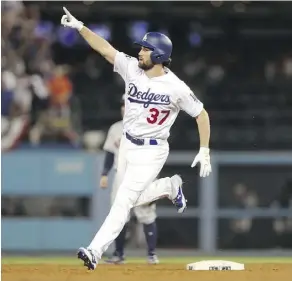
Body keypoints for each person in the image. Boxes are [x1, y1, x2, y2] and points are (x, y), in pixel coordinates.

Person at [61, 7, 212, 270]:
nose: (139, 52)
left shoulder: (176, 86)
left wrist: (204, 149)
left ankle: (95, 251)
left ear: (159, 55)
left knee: (122, 202)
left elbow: (201, 115)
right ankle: (169, 187)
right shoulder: (132, 68)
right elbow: (105, 49)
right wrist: (80, 27)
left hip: (151, 151)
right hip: (127, 144)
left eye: (144, 49)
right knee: (129, 199)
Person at [100, 94, 159, 264]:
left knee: (146, 214)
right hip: (121, 175)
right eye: (123, 105)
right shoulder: (115, 129)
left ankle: (151, 254)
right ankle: (119, 254)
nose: (124, 107)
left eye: (129, 104)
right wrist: (104, 173)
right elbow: (110, 154)